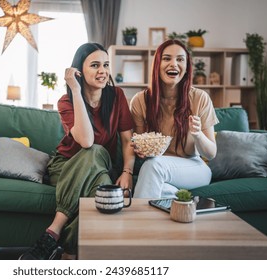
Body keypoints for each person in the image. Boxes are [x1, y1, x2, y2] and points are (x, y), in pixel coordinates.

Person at [19, 42, 135, 260]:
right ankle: (69, 253)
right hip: (65, 166)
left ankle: (52, 234)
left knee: (97, 156)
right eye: (95, 65)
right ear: (80, 71)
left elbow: (128, 140)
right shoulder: (66, 101)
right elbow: (86, 140)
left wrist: (127, 171)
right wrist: (75, 89)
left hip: (100, 163)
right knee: (99, 186)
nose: (103, 71)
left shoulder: (117, 96)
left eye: (106, 65)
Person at [130, 39, 218, 199]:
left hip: (195, 167)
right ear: (157, 64)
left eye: (180, 59)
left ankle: (136, 222)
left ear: (186, 67)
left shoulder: (200, 98)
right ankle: (180, 197)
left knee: (153, 166)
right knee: (159, 184)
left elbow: (211, 153)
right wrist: (140, 150)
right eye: (166, 58)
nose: (173, 64)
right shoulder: (140, 101)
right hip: (158, 168)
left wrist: (198, 134)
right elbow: (139, 144)